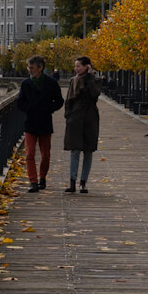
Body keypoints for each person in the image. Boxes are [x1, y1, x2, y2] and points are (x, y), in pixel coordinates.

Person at [17, 55, 64, 193]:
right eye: (28, 67)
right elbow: (20, 102)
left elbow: (60, 101)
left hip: (44, 122)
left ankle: (42, 177)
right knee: (29, 153)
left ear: (40, 68)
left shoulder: (51, 83)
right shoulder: (26, 84)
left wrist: (48, 109)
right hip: (30, 122)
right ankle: (33, 181)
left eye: (32, 68)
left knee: (46, 154)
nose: (29, 70)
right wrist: (29, 109)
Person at [63, 56, 100, 194]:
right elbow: (68, 100)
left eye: (78, 66)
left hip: (90, 119)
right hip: (75, 119)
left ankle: (83, 183)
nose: (76, 68)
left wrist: (90, 78)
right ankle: (72, 181)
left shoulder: (95, 80)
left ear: (87, 66)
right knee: (75, 149)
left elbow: (95, 94)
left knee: (88, 150)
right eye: (75, 66)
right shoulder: (73, 81)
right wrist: (68, 115)